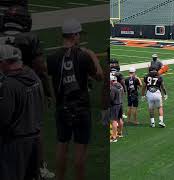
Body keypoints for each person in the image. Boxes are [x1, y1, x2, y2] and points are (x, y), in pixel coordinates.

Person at [0, 5, 55, 179]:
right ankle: (39, 166)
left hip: (4, 88)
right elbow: (41, 68)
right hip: (26, 89)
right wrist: (47, 92)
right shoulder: (29, 38)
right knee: (34, 128)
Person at [46, 18, 103, 180]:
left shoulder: (52, 58)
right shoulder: (83, 56)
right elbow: (99, 76)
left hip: (62, 107)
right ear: (74, 35)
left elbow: (51, 82)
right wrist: (95, 59)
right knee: (79, 154)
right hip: (81, 107)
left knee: (61, 147)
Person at [0, 44, 43, 180]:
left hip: (16, 144)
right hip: (35, 139)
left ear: (4, 63)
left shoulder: (9, 85)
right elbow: (41, 105)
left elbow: (4, 118)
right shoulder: (33, 77)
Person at [110, 74, 125, 143]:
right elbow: (123, 94)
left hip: (115, 105)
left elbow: (111, 98)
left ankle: (114, 137)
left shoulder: (113, 88)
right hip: (121, 104)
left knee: (114, 121)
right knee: (120, 119)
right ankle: (120, 133)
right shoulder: (120, 86)